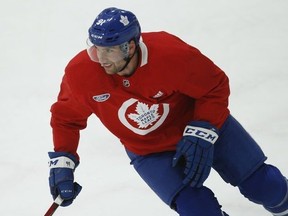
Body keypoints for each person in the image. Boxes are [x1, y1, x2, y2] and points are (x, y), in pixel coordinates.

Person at [47, 7, 288, 216]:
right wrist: (63, 164)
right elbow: (65, 118)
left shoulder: (171, 54)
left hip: (201, 125)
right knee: (198, 210)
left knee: (267, 187)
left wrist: (204, 128)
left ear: (130, 46)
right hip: (150, 152)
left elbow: (214, 85)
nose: (101, 58)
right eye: (96, 48)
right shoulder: (81, 73)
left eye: (109, 50)